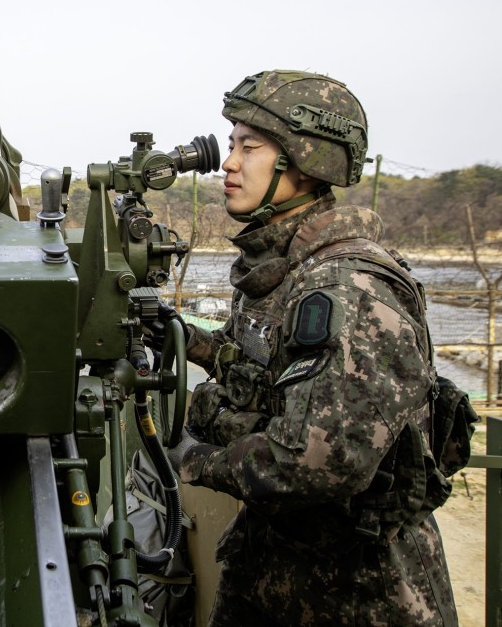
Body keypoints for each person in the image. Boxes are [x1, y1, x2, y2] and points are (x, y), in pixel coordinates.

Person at [167, 70, 459, 626]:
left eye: (248, 147)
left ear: (304, 162)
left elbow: (320, 462)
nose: (228, 163)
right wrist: (186, 340)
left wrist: (195, 461)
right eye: (231, 145)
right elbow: (260, 364)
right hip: (273, 569)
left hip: (357, 596)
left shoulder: (345, 287)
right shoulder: (284, 271)